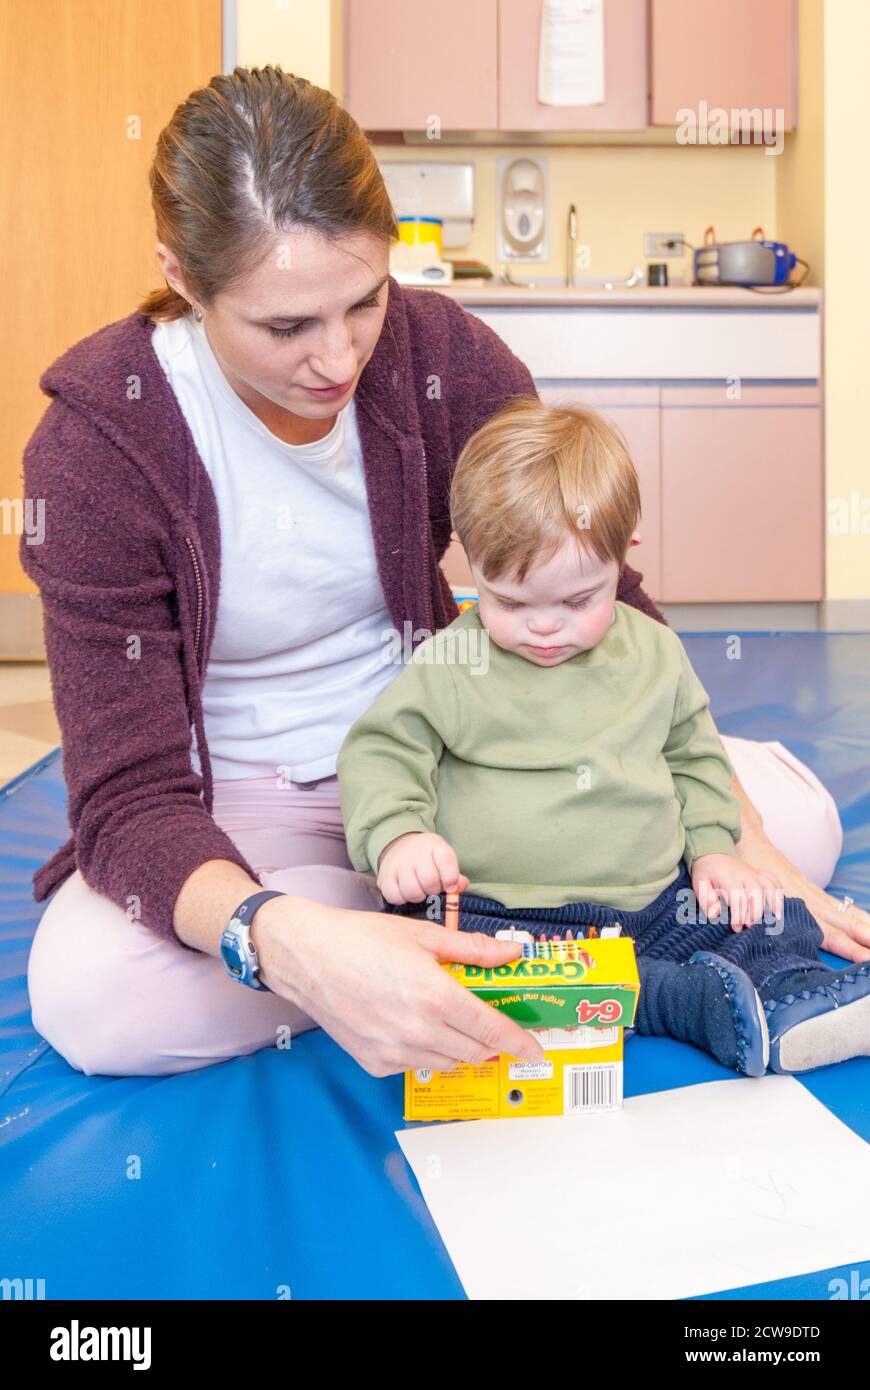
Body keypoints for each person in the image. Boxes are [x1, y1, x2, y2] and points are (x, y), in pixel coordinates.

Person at [19, 66, 868, 1079]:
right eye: (285, 326)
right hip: (244, 806)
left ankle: (454, 944)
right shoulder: (97, 446)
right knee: (91, 997)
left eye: (363, 301)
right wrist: (276, 933)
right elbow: (129, 799)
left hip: (475, 751)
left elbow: (602, 587)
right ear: (185, 279)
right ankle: (495, 940)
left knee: (798, 830)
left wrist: (742, 838)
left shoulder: (441, 355)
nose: (336, 358)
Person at [338, 398, 870, 1076]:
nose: (544, 627)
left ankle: (795, 1003)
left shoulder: (654, 653)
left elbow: (695, 757)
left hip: (656, 901)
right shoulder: (449, 663)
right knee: (456, 975)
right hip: (507, 917)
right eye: (510, 602)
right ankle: (679, 1001)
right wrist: (399, 835)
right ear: (470, 566)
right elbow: (382, 752)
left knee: (769, 918)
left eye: (577, 600)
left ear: (624, 558)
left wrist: (714, 852)